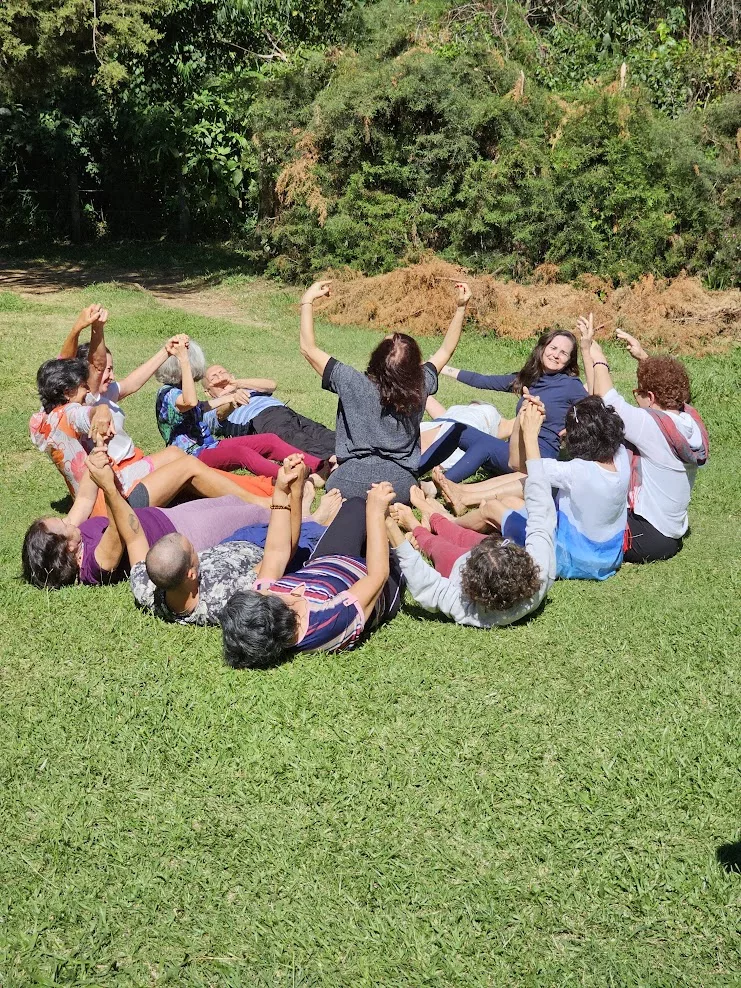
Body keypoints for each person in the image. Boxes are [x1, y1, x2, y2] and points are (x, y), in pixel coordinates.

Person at [80, 448, 323, 625]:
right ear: (191, 573)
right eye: (193, 551)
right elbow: (278, 555)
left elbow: (133, 536)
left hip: (238, 540)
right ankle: (314, 517)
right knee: (317, 532)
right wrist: (291, 493)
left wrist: (108, 486)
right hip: (266, 548)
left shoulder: (146, 586)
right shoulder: (224, 598)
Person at [385, 401, 557, 628]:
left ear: (469, 587)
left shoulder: (468, 608)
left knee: (439, 547)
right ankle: (432, 515)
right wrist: (531, 437)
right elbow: (541, 505)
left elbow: (425, 582)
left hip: (473, 565)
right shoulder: (540, 572)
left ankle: (416, 526)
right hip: (493, 564)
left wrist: (389, 525)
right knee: (462, 535)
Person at [299, 279, 471, 503]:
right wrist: (460, 308)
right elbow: (446, 350)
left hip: (346, 483)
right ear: (414, 366)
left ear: (376, 358)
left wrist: (307, 301)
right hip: (399, 486)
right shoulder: (420, 384)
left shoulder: (350, 381)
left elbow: (308, 349)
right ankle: (418, 494)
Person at [220, 479, 404, 668]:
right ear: (277, 609)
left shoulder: (266, 610)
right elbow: (377, 575)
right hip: (374, 577)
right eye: (260, 593)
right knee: (400, 550)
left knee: (356, 505)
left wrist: (281, 492)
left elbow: (275, 554)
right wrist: (376, 512)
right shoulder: (328, 621)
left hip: (327, 561)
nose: (259, 588)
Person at [581, 318, 709, 564]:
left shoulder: (651, 427)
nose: (637, 396)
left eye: (639, 392)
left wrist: (598, 358)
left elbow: (609, 402)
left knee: (580, 513)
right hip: (670, 533)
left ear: (650, 396)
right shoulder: (688, 421)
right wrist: (643, 358)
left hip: (646, 537)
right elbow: (667, 389)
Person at [484, 395, 630, 580]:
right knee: (511, 502)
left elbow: (516, 463)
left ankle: (451, 523)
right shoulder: (621, 456)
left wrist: (526, 428)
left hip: (570, 560)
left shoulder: (576, 472)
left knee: (490, 507)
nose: (563, 433)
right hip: (608, 558)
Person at [154, 338, 327, 482]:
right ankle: (292, 479)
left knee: (269, 440)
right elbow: (191, 402)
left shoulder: (178, 392)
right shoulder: (168, 393)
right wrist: (185, 360)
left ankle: (319, 466)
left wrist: (229, 397)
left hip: (208, 445)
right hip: (191, 454)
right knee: (242, 453)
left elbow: (200, 406)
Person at [432, 328, 587, 478]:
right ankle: (421, 468)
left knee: (484, 445)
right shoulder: (529, 378)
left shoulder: (570, 385)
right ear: (543, 348)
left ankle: (439, 485)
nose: (556, 355)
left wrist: (572, 428)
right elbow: (482, 380)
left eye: (564, 353)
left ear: (569, 360)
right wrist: (440, 367)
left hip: (539, 454)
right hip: (514, 449)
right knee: (458, 430)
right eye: (553, 348)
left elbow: (595, 411)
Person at [203, 363, 336, 460]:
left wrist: (238, 384)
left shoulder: (249, 388)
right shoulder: (210, 407)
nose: (220, 377)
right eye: (213, 377)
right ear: (208, 392)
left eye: (222, 372)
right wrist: (232, 401)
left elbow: (272, 385)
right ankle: (330, 461)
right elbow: (219, 414)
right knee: (294, 438)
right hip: (260, 420)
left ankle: (346, 454)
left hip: (284, 412)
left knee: (320, 432)